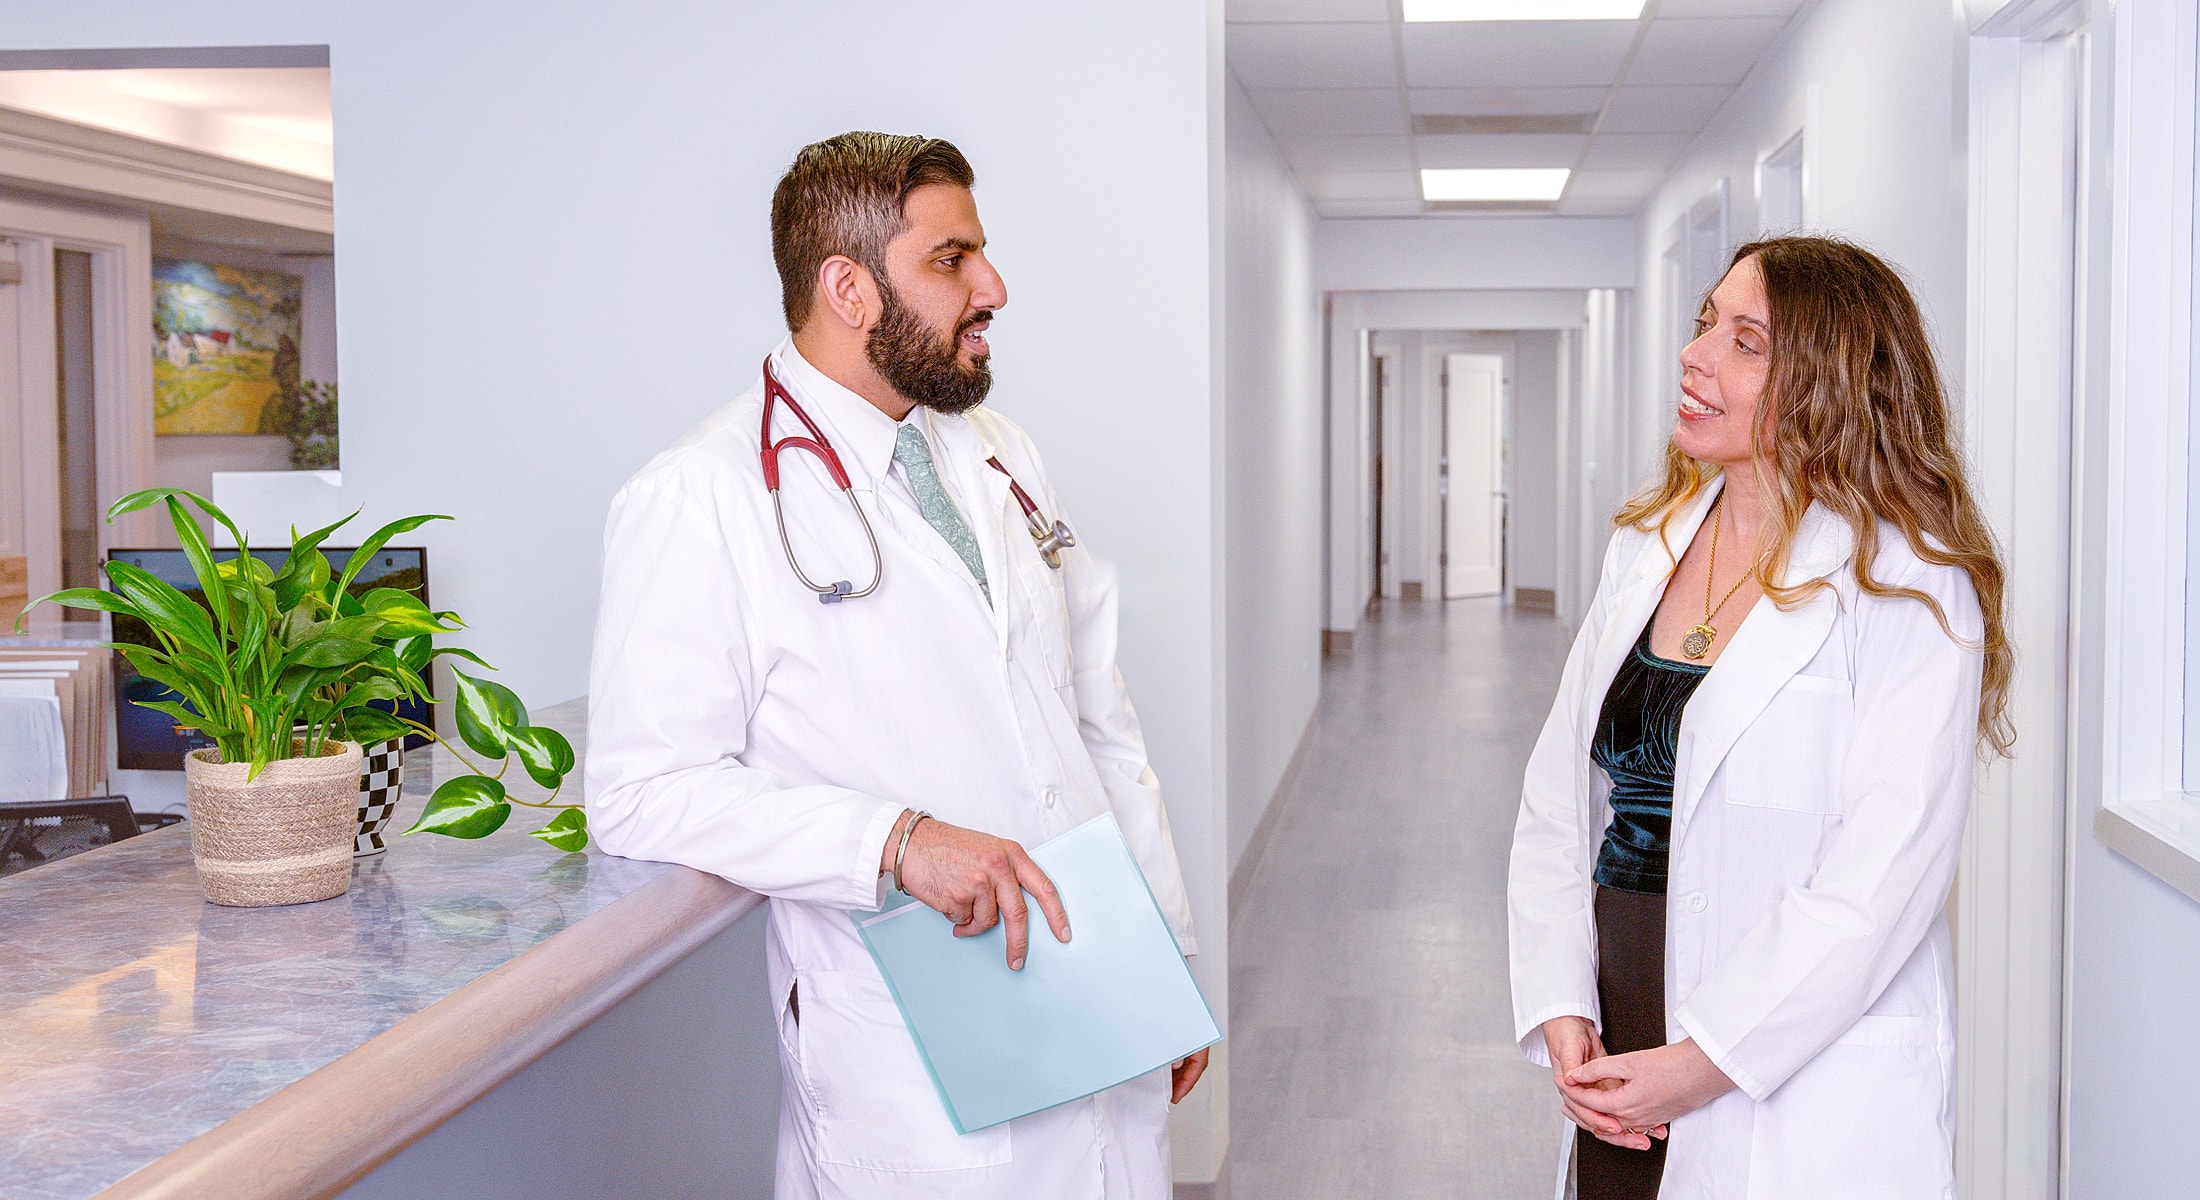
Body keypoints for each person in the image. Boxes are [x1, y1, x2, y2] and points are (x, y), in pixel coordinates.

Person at [585, 131, 1207, 1200]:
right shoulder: (702, 497)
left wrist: (1166, 955)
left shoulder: (1002, 451)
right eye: (951, 260)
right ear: (848, 288)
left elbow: (1097, 720)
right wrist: (895, 841)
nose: (994, 288)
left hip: (1096, 984)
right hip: (913, 1035)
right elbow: (642, 792)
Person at [1506, 236, 2013, 1199]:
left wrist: (1699, 1062)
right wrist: (1562, 999)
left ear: (1833, 380)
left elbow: (1882, 879)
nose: (1696, 356)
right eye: (1706, 324)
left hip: (1787, 1055)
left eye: (1747, 341)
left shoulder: (1912, 580)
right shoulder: (1644, 545)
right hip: (1619, 1023)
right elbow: (1557, 796)